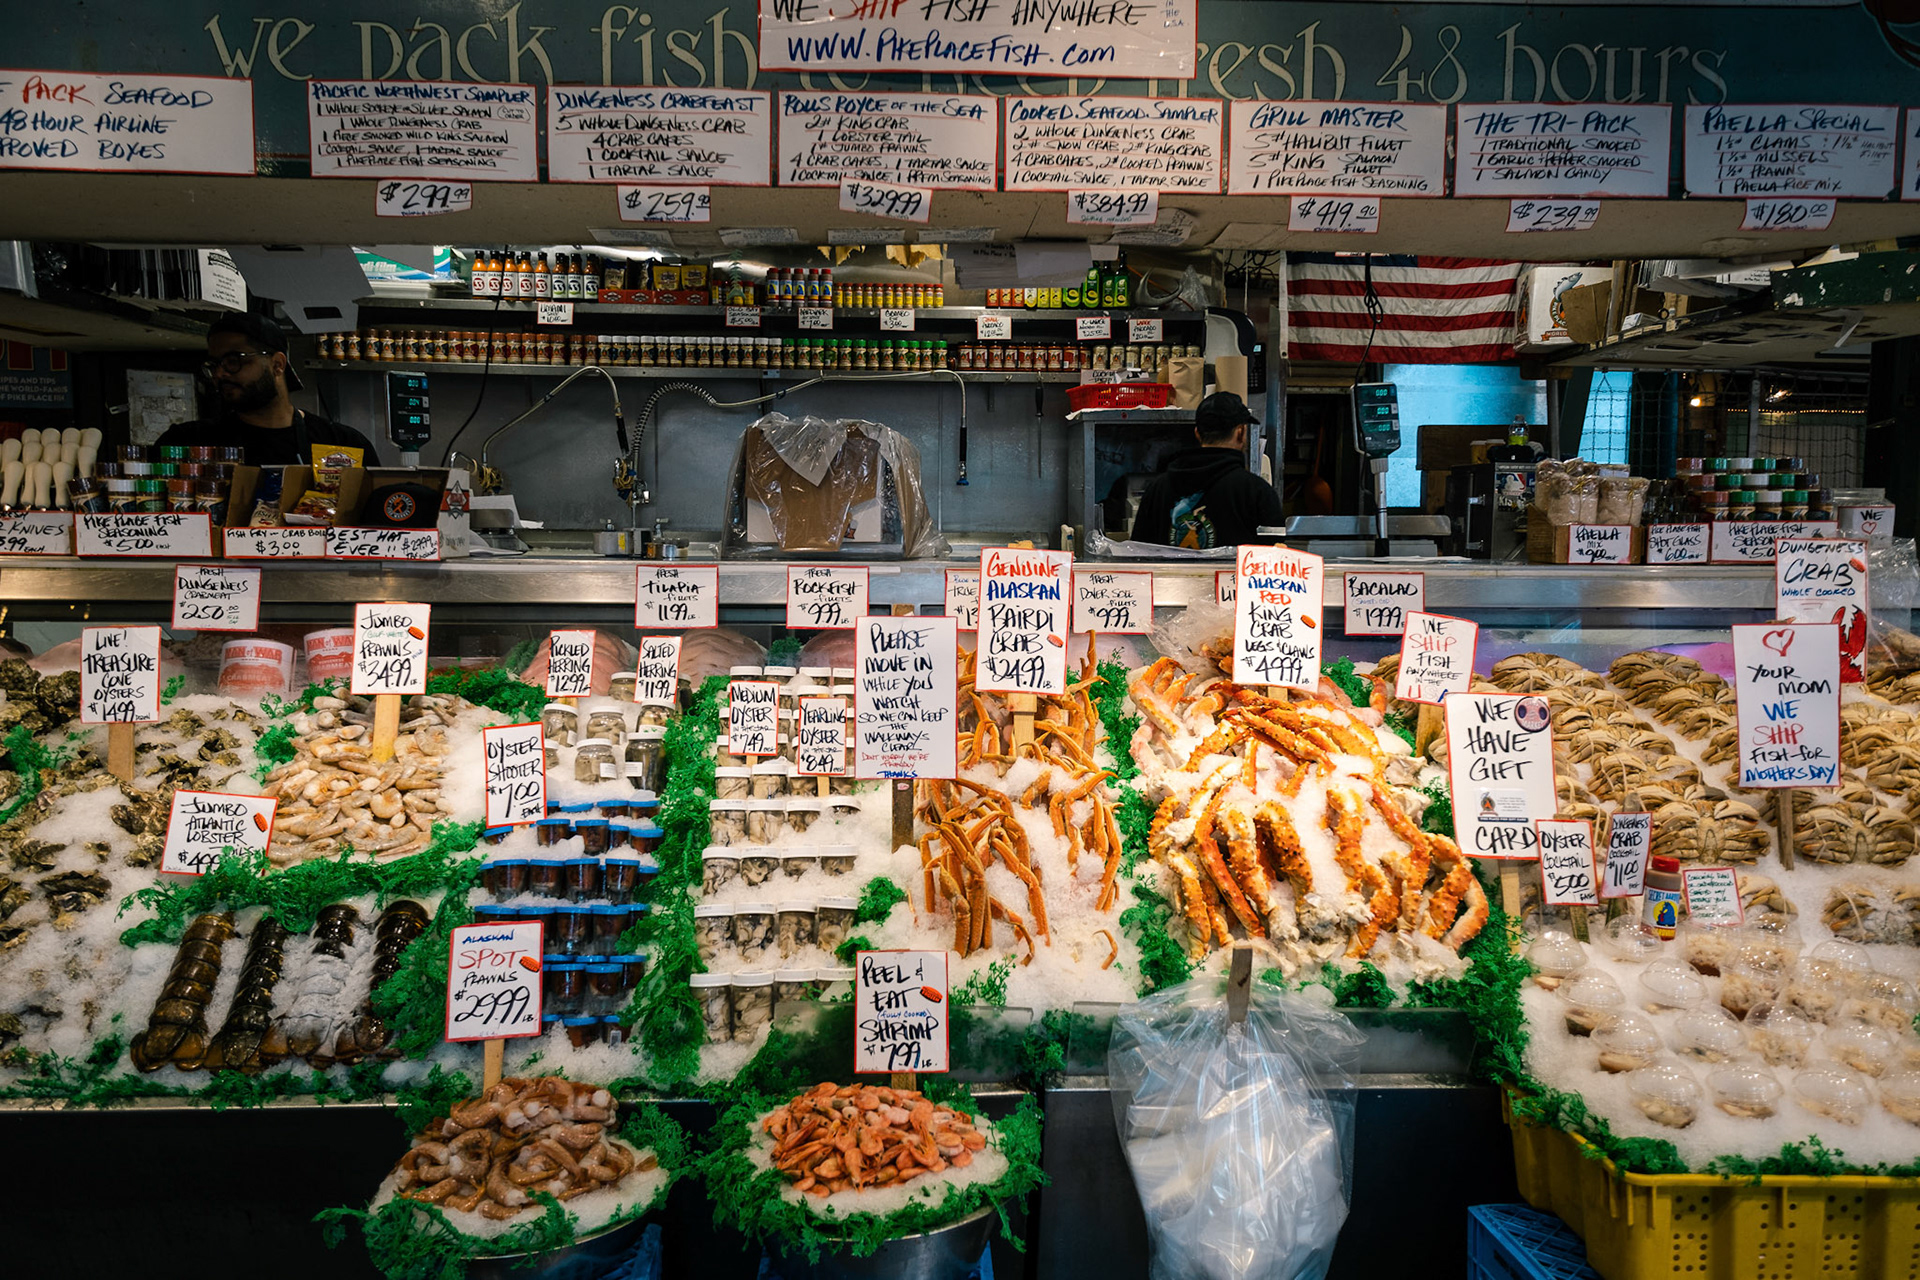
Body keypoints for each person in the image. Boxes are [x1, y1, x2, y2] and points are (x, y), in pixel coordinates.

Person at [157, 313, 381, 466]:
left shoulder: (345, 444)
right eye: (214, 365)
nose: (220, 374)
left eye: (234, 361)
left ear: (277, 364)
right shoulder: (185, 443)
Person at [1129, 391, 1282, 548]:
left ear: (1197, 434)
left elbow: (1138, 555)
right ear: (1241, 432)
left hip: (1169, 574)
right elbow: (1274, 559)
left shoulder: (1157, 490)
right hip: (1234, 574)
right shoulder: (1258, 492)